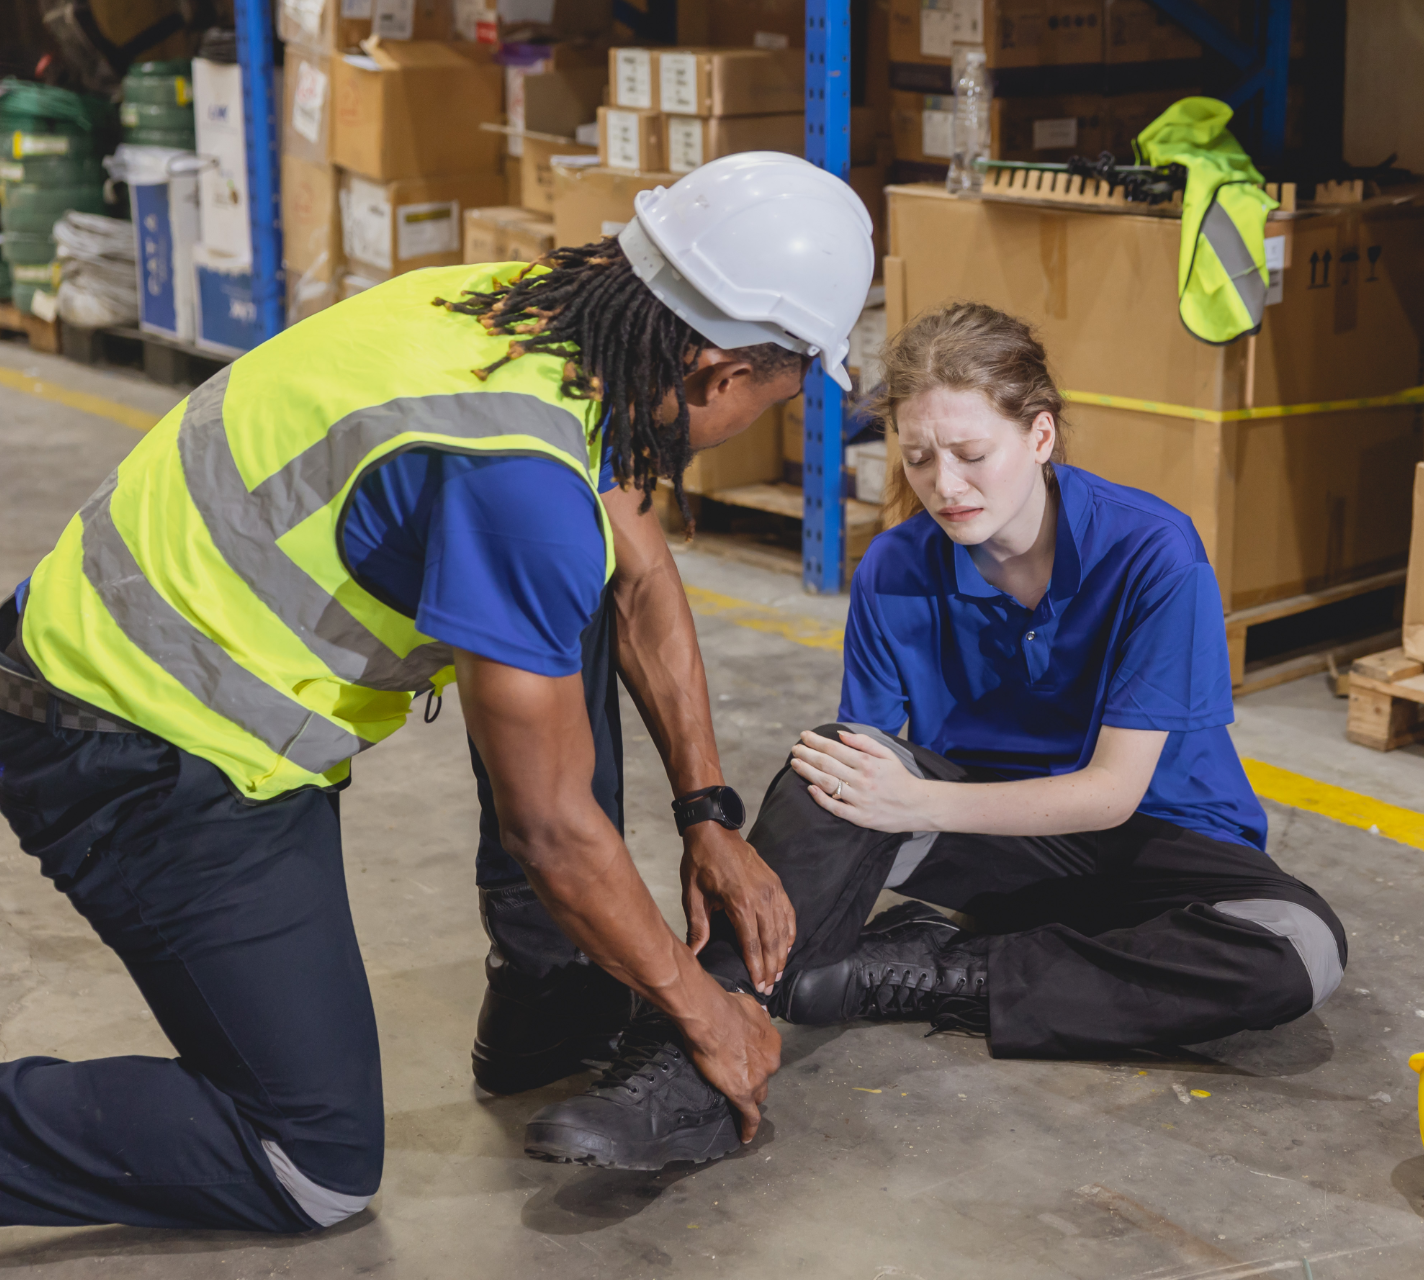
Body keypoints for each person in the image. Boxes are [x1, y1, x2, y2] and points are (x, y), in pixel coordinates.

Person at [0, 153, 872, 1232]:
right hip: (139, 742)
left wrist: (707, 812)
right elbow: (549, 826)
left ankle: (546, 996)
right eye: (783, 394)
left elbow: (639, 573)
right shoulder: (517, 483)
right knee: (307, 1164)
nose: (773, 418)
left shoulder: (528, 315)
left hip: (123, 657)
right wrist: (703, 1008)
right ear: (717, 368)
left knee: (568, 580)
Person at [533, 301, 1344, 1178]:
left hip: (1165, 847)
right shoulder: (895, 566)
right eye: (918, 458)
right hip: (1003, 854)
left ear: (1039, 436)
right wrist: (859, 806)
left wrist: (916, 801)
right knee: (833, 768)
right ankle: (684, 1057)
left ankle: (931, 970)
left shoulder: (1151, 552)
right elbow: (859, 779)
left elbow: (1113, 792)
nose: (945, 485)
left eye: (971, 454)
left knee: (1301, 950)